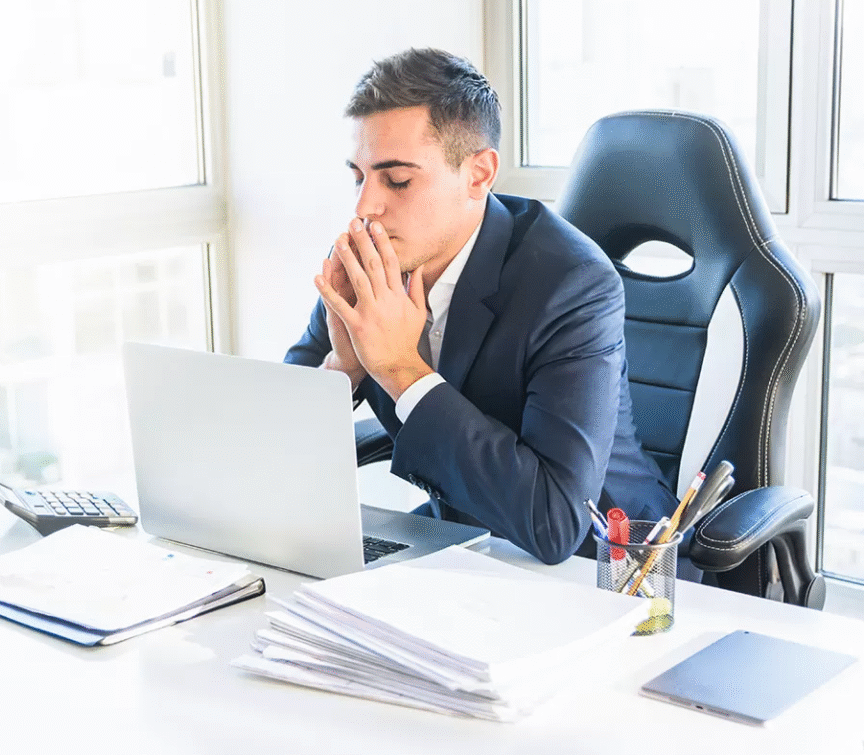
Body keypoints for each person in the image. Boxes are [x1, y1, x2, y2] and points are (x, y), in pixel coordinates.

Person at [284, 48, 677, 566]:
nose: (364, 208)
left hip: (608, 569)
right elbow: (280, 445)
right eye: (359, 176)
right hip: (464, 554)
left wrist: (400, 369)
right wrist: (345, 370)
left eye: (397, 180)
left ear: (478, 174)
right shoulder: (370, 259)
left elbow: (556, 522)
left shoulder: (572, 283)